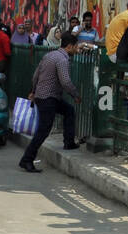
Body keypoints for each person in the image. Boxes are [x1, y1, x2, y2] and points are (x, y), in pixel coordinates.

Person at [18, 32, 83, 172]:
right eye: (76, 47)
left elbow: (36, 75)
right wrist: (76, 94)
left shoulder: (50, 55)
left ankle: (69, 142)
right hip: (49, 99)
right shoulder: (62, 60)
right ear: (70, 46)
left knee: (68, 111)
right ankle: (27, 159)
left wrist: (33, 91)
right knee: (43, 130)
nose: (77, 50)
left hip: (44, 96)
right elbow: (65, 81)